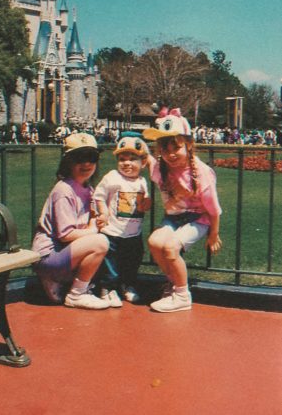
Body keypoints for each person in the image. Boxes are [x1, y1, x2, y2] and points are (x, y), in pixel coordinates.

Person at [143, 109, 222, 313]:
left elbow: (213, 209)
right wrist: (144, 155)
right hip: (173, 217)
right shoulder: (162, 167)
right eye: (164, 149)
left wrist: (213, 234)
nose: (170, 155)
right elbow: (151, 162)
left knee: (170, 248)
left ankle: (182, 295)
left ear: (188, 144)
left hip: (199, 219)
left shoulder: (201, 172)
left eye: (176, 148)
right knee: (154, 242)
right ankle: (174, 283)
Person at [32, 133, 110, 309]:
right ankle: (77, 294)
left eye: (92, 157)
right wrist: (93, 229)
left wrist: (101, 217)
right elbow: (66, 234)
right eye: (79, 158)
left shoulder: (88, 189)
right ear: (68, 162)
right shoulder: (64, 191)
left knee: (107, 239)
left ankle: (59, 282)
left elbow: (93, 217)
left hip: (64, 254)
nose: (86, 164)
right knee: (100, 242)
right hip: (48, 256)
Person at [93, 132, 152, 307]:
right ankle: (107, 288)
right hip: (113, 230)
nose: (127, 163)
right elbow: (99, 196)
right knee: (110, 262)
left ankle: (128, 284)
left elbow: (144, 204)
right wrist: (102, 213)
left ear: (143, 163)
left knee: (132, 260)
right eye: (122, 159)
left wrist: (147, 203)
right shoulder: (112, 177)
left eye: (133, 159)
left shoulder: (142, 181)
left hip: (133, 233)